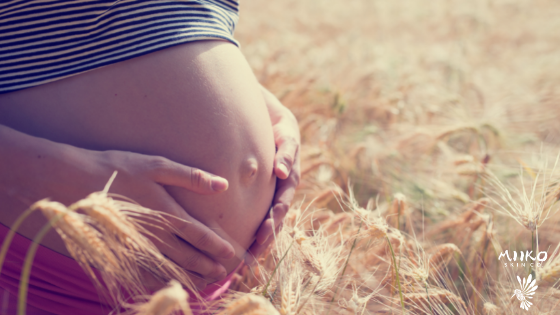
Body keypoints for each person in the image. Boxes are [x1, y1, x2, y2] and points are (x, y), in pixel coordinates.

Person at [0, 0, 300, 314]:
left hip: (219, 282)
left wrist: (269, 110)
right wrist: (43, 173)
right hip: (53, 267)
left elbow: (167, 25)